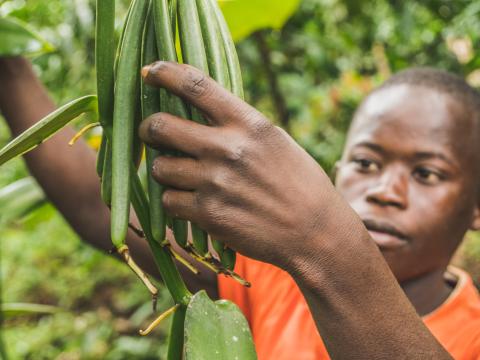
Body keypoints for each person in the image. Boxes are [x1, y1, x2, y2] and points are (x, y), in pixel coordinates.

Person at [1, 56, 479, 359]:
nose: (384, 191)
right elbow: (100, 206)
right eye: (366, 162)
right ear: (335, 171)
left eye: (427, 174)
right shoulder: (270, 275)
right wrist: (9, 68)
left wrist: (327, 243)